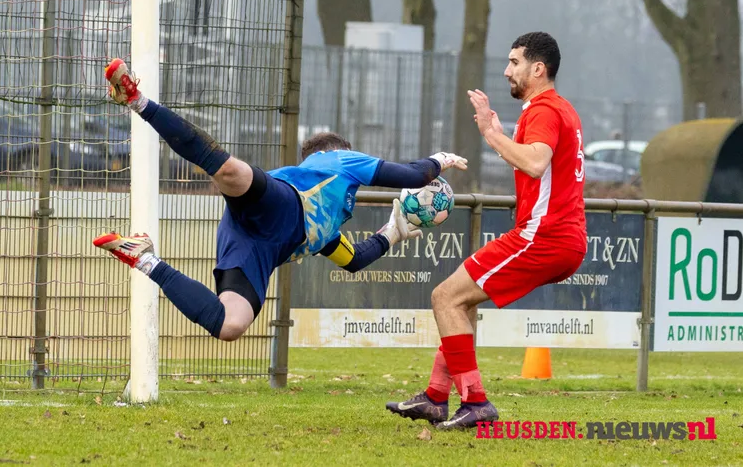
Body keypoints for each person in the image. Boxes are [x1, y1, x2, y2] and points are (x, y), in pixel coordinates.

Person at [93, 58, 469, 341]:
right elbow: (414, 177)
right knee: (229, 171)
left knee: (230, 325)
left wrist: (393, 233)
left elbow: (353, 260)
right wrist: (440, 160)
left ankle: (145, 259)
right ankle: (136, 99)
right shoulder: (341, 160)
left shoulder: (327, 229)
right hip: (281, 203)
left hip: (255, 245)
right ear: (338, 152)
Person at [386, 31, 587, 430]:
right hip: (560, 238)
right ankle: (435, 396)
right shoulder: (560, 109)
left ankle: (475, 402)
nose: (506, 71)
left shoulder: (544, 110)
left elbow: (536, 164)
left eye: (514, 63)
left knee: (445, 298)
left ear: (538, 68)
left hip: (543, 237)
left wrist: (490, 133)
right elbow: (539, 163)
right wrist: (501, 135)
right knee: (461, 302)